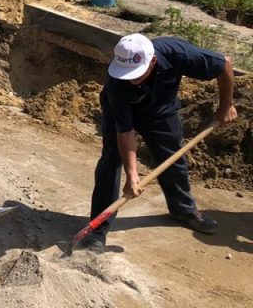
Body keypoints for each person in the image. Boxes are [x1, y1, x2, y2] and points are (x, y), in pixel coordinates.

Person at [83, 33, 238, 251]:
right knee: (111, 159)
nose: (131, 79)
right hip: (122, 108)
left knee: (173, 155)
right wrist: (133, 175)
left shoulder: (178, 53)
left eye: (136, 74)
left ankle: (183, 209)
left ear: (152, 61)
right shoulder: (117, 82)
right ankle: (98, 228)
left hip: (161, 109)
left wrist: (226, 105)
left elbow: (224, 64)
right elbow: (125, 133)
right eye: (127, 75)